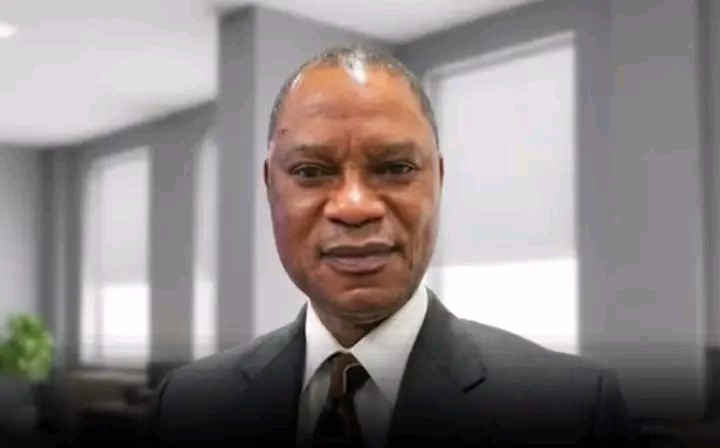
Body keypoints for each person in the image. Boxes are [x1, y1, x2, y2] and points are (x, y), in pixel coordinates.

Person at [140, 46, 682, 447]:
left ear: (438, 181)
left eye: (395, 168)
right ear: (269, 187)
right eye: (310, 171)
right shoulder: (185, 408)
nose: (354, 206)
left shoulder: (574, 412)